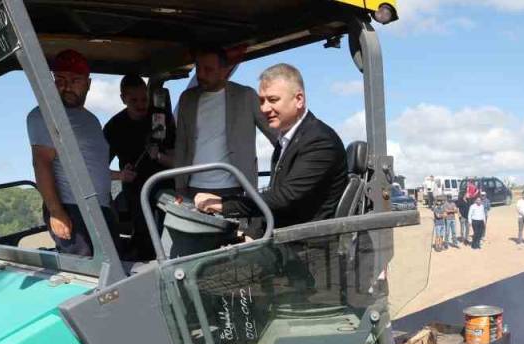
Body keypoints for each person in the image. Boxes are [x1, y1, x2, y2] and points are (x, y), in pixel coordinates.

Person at [196, 64, 347, 232]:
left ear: (299, 100)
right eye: (262, 101)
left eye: (273, 100)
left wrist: (222, 205)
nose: (264, 109)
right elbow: (276, 199)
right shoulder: (286, 140)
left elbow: (284, 198)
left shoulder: (319, 141)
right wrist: (249, 233)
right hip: (286, 236)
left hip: (308, 245)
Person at [27, 49, 118, 257]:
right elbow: (42, 163)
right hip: (72, 208)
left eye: (75, 80)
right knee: (89, 274)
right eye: (60, 79)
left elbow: (92, 165)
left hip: (101, 207)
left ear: (88, 83)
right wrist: (56, 212)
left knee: (114, 270)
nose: (67, 86)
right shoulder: (44, 115)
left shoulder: (91, 120)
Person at [175, 47, 277, 201]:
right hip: (193, 189)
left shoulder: (246, 96)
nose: (201, 74)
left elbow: (276, 134)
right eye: (199, 68)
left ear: (224, 71)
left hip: (236, 189)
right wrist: (179, 187)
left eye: (208, 69)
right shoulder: (187, 99)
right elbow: (181, 145)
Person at [104, 74, 176, 261]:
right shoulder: (114, 127)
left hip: (167, 187)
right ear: (123, 99)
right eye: (133, 100)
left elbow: (179, 156)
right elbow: (97, 168)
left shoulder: (161, 118)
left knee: (170, 235)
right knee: (144, 237)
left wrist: (159, 156)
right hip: (136, 192)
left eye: (144, 99)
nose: (140, 104)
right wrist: (121, 175)